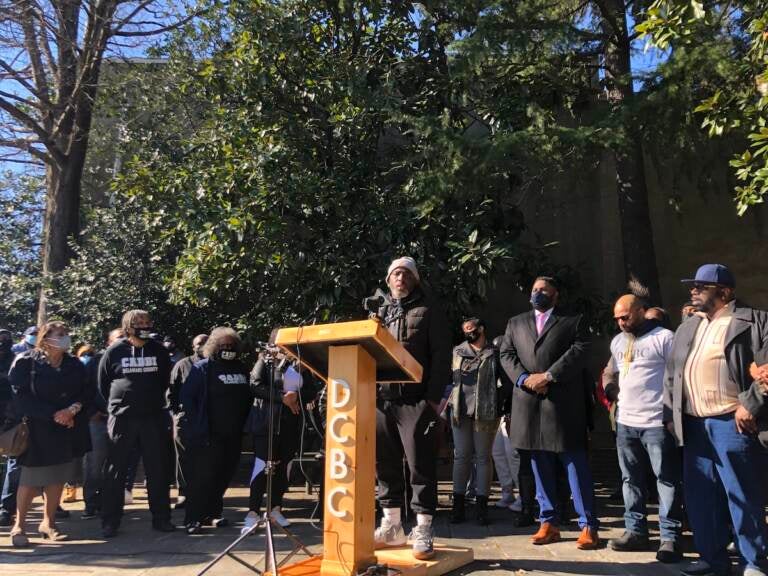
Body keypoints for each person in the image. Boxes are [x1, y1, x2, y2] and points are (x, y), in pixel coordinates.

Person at [664, 264, 768, 576]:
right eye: (691, 286)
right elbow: (672, 377)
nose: (692, 291)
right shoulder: (687, 327)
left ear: (724, 292)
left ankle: (754, 562)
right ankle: (712, 558)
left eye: (701, 286)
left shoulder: (754, 320)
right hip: (694, 425)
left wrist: (750, 404)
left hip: (732, 424)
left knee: (742, 494)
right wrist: (671, 415)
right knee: (700, 496)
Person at [500, 276, 599, 550]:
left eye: (543, 290)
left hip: (563, 405)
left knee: (574, 465)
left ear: (555, 295)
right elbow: (506, 354)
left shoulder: (573, 320)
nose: (537, 293)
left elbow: (580, 350)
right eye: (533, 289)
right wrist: (524, 379)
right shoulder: (516, 322)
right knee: (538, 465)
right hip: (529, 404)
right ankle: (548, 522)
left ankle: (588, 525)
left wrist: (549, 376)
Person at [369, 256, 450, 561]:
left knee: (420, 466)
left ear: (414, 279)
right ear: (388, 280)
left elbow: (442, 357)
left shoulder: (429, 311)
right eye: (395, 274)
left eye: (405, 273)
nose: (400, 278)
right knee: (385, 465)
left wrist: (432, 400)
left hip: (416, 401)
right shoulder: (379, 314)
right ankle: (391, 526)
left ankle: (424, 527)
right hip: (382, 400)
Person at [605, 295, 683, 562]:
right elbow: (611, 371)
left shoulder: (664, 338)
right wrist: (611, 390)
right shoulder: (618, 341)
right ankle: (635, 531)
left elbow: (678, 376)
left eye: (625, 316)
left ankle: (669, 537)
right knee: (630, 479)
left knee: (666, 480)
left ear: (641, 311)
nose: (620, 322)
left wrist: (670, 414)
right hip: (626, 423)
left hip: (656, 423)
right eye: (617, 318)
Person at [7, 321, 91, 547]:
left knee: (57, 477)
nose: (65, 337)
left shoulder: (74, 364)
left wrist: (72, 411)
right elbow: (20, 396)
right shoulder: (26, 362)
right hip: (36, 428)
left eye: (66, 333)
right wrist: (53, 414)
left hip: (67, 427)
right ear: (45, 338)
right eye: (60, 334)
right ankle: (19, 526)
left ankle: (49, 523)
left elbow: (86, 391)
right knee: (31, 480)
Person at [98, 309, 175, 538]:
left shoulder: (159, 350)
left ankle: (161, 518)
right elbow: (103, 383)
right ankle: (110, 521)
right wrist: (119, 404)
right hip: (122, 418)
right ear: (128, 325)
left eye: (147, 321)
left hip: (153, 417)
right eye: (139, 322)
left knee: (157, 470)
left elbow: (165, 382)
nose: (144, 325)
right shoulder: (114, 351)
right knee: (115, 471)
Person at [179, 328, 253, 534]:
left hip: (234, 434)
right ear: (214, 347)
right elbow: (187, 398)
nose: (227, 348)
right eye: (223, 345)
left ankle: (212, 513)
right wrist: (195, 426)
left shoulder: (241, 368)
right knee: (202, 477)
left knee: (224, 475)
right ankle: (193, 518)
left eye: (231, 345)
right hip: (208, 434)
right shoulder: (203, 368)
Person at [447, 318, 508, 525]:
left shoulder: (495, 351)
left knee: (483, 457)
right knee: (461, 456)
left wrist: (498, 401)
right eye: (465, 330)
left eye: (472, 329)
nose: (468, 333)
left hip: (486, 411)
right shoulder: (458, 351)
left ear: (481, 329)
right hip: (460, 410)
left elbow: (505, 381)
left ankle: (482, 506)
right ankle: (458, 506)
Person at [244, 345, 303, 533]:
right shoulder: (265, 362)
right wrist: (282, 397)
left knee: (282, 467)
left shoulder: (300, 364)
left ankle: (276, 508)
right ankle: (252, 512)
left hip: (289, 426)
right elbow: (255, 385)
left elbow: (309, 389)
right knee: (262, 467)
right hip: (266, 424)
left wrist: (296, 395)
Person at [80, 330, 124, 519]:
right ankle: (91, 502)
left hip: (122, 420)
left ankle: (111, 503)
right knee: (94, 465)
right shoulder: (95, 362)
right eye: (118, 338)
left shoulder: (129, 359)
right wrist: (92, 413)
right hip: (98, 420)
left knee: (117, 464)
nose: (122, 341)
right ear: (108, 341)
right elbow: (83, 389)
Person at [169, 333, 208, 509]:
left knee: (206, 458)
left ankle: (205, 492)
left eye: (207, 342)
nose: (203, 345)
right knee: (184, 458)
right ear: (193, 346)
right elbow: (171, 392)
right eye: (200, 343)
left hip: (209, 419)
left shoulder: (216, 365)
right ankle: (184, 493)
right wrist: (176, 414)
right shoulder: (182, 365)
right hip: (185, 419)